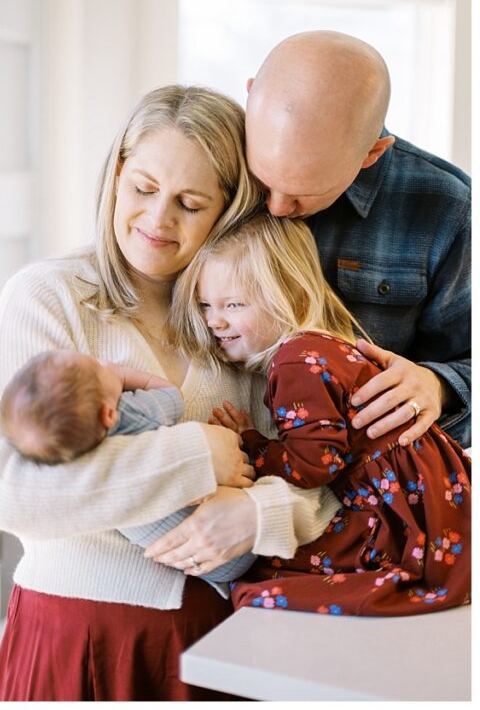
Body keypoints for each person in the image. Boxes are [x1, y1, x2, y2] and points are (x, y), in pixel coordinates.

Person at [0, 85, 341, 701]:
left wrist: (260, 515)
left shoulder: (241, 315)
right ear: (117, 174)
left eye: (189, 203)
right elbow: (14, 494)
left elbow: (320, 470)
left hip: (225, 638)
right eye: (144, 188)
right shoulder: (47, 296)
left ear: (227, 210)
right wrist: (198, 456)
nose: (157, 220)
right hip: (77, 634)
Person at [170, 211, 471, 616]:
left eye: (234, 304)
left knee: (259, 584)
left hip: (400, 522)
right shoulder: (324, 346)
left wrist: (250, 445)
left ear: (291, 298)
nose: (213, 320)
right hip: (431, 505)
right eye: (205, 305)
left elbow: (315, 464)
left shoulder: (294, 362)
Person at [245, 30, 471, 448]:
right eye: (263, 181)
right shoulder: (210, 161)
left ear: (372, 152)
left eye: (303, 193)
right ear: (251, 97)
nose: (275, 208)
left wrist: (435, 385)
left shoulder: (447, 207)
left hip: (356, 479)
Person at [0, 349, 256, 585]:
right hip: (239, 541)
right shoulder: (129, 413)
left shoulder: (71, 457)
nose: (104, 365)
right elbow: (172, 397)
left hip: (208, 568)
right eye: (98, 369)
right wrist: (121, 376)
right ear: (108, 415)